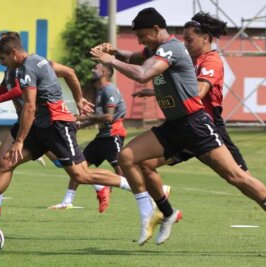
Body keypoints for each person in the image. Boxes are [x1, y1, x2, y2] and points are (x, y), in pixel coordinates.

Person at [90, 7, 266, 245]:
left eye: (142, 35)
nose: (140, 40)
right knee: (129, 158)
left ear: (155, 29)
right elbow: (137, 58)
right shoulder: (161, 49)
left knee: (237, 177)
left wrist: (111, 60)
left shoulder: (182, 52)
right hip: (174, 126)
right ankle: (163, 212)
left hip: (199, 125)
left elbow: (147, 75)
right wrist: (116, 52)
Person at [0, 35, 130, 230]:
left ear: (13, 53)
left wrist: (19, 140)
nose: (1, 63)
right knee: (5, 163)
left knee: (81, 175)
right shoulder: (16, 68)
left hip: (56, 124)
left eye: (2, 58)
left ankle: (136, 186)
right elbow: (9, 90)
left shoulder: (31, 65)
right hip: (39, 125)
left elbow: (30, 105)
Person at [49, 62, 132, 212]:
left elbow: (108, 118)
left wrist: (81, 119)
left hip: (113, 135)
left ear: (106, 73)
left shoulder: (109, 90)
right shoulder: (100, 91)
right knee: (77, 167)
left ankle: (149, 195)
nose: (93, 69)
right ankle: (67, 201)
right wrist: (78, 125)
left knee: (122, 171)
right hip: (101, 138)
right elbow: (97, 118)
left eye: (97, 68)